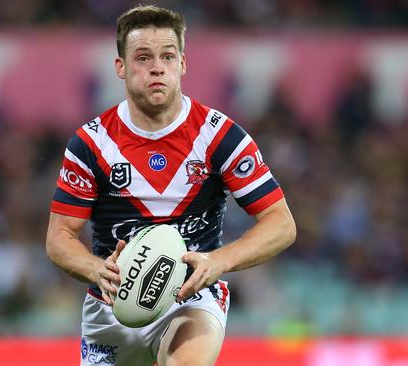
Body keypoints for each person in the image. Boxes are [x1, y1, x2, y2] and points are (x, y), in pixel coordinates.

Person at [45, 5, 296, 365]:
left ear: (182, 64)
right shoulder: (91, 144)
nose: (157, 67)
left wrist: (219, 261)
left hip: (191, 297)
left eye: (167, 56)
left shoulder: (219, 136)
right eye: (143, 58)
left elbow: (281, 223)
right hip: (114, 307)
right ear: (121, 67)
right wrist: (94, 269)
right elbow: (59, 237)